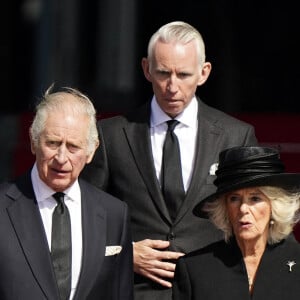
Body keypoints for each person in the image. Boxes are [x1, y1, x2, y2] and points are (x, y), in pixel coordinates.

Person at [81, 21, 258, 300]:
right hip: (135, 291)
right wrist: (123, 252)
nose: (172, 86)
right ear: (146, 69)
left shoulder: (235, 136)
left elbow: (254, 223)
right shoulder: (112, 135)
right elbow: (83, 216)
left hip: (212, 289)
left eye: (183, 74)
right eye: (163, 73)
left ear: (204, 73)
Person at [0, 85, 133, 300]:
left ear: (91, 151)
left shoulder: (114, 214)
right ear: (34, 142)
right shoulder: (2, 208)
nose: (61, 158)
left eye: (73, 147)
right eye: (52, 143)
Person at [173, 146, 300, 300]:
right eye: (234, 198)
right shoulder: (195, 269)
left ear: (274, 206)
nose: (243, 208)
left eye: (255, 198)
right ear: (225, 208)